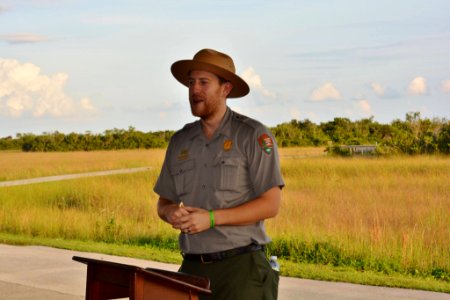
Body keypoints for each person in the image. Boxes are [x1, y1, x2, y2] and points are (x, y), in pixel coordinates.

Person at [154, 48, 285, 299]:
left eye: (204, 82)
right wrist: (170, 212)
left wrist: (212, 218)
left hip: (241, 270)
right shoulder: (179, 142)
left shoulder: (253, 135)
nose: (194, 90)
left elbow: (271, 204)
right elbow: (164, 201)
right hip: (191, 269)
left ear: (226, 89)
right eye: (191, 83)